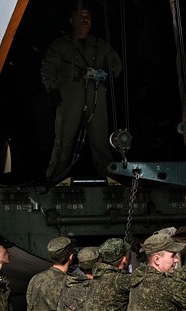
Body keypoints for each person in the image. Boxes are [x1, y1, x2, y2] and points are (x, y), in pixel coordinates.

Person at [41, 5, 122, 180]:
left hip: (96, 97)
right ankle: (54, 178)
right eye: (81, 16)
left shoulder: (100, 45)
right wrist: (52, 89)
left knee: (100, 141)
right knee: (63, 140)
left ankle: (108, 177)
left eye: (88, 17)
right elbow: (48, 67)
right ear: (72, 20)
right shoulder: (61, 45)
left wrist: (108, 75)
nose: (85, 19)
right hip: (70, 97)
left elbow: (115, 63)